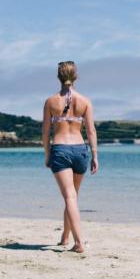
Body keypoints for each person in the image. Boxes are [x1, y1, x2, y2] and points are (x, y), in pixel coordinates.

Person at [42, 60, 98, 253]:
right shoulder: (85, 101)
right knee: (72, 196)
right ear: (76, 77)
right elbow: (91, 131)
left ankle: (79, 242)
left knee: (69, 196)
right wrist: (95, 156)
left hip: (61, 149)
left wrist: (47, 154)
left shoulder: (51, 101)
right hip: (80, 149)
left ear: (58, 76)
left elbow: (45, 132)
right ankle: (65, 236)